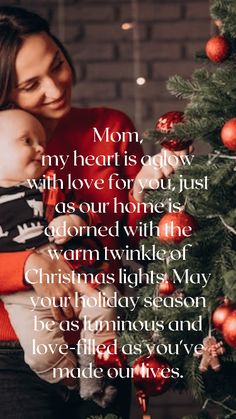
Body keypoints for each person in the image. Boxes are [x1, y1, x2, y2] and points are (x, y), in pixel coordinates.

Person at [0, 6, 187, 419]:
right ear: (5, 93)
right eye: (32, 84)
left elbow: (138, 239)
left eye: (58, 65)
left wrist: (147, 191)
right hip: (11, 351)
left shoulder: (110, 126)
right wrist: (27, 267)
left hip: (102, 338)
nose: (55, 88)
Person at [0, 108, 119, 407]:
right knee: (41, 352)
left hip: (72, 266)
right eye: (26, 141)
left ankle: (94, 368)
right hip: (22, 293)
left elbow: (82, 209)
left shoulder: (51, 183)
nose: (40, 147)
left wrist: (75, 221)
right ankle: (67, 378)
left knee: (104, 305)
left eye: (40, 140)